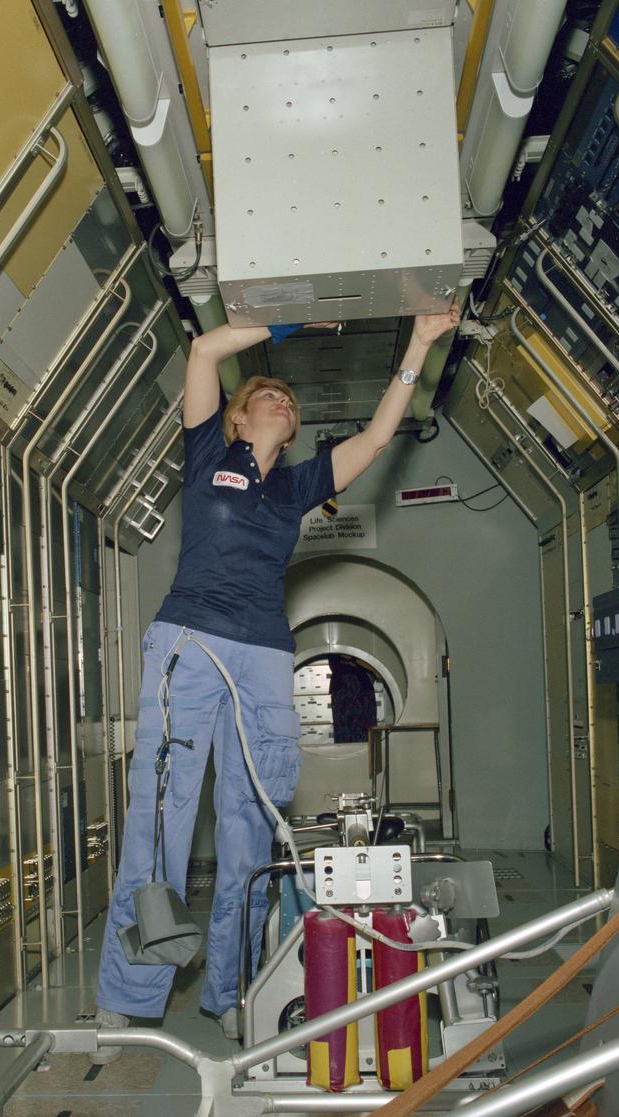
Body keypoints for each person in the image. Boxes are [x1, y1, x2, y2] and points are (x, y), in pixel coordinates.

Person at [92, 305, 462, 1062]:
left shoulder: (295, 488)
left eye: (290, 403)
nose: (283, 403)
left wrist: (418, 346)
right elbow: (203, 349)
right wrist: (297, 317)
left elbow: (376, 437)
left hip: (263, 655)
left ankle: (232, 992)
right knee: (159, 818)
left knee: (249, 828)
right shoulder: (204, 453)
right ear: (238, 413)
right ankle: (129, 995)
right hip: (189, 642)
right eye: (269, 395)